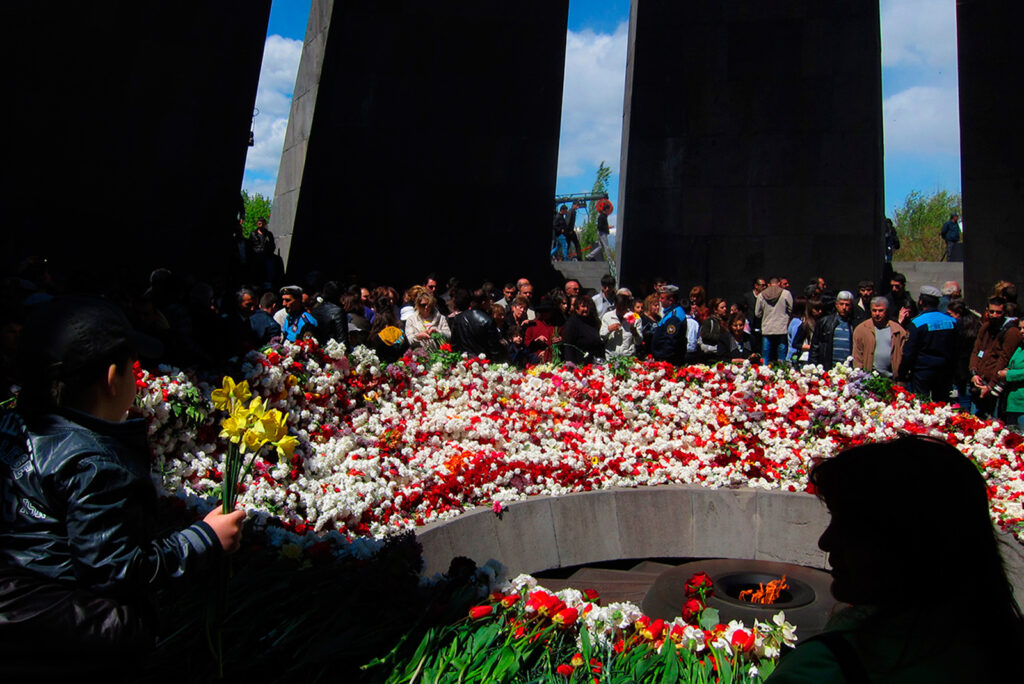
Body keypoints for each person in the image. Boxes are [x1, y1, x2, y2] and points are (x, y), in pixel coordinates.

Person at [0, 297, 244, 674]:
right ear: (112, 379)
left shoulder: (13, 426)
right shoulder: (94, 464)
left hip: (16, 607)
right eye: (134, 369)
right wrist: (205, 538)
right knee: (124, 623)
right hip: (54, 634)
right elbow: (117, 570)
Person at [766, 436, 1024, 683]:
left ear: (908, 543)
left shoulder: (823, 670)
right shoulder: (999, 649)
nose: (825, 541)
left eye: (851, 526)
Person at [899, 286, 957, 401]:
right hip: (945, 371)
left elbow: (909, 353)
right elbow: (957, 348)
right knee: (942, 406)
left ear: (921, 302)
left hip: (923, 372)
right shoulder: (952, 321)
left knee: (923, 405)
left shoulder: (917, 323)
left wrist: (902, 375)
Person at [969, 296, 1022, 418]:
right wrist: (973, 373)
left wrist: (990, 385)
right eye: (991, 311)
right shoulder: (985, 327)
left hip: (994, 386)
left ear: (1004, 313)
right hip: (979, 379)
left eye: (998, 312)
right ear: (987, 310)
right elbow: (976, 351)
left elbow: (1004, 359)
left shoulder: (1011, 332)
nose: (994, 315)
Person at [852, 297, 907, 377]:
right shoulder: (861, 330)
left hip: (892, 378)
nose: (877, 314)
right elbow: (857, 357)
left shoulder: (898, 330)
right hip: (869, 378)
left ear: (887, 311)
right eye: (874, 310)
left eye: (880, 310)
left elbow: (904, 355)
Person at [810, 291, 866, 367]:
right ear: (836, 305)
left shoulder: (856, 324)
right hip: (829, 367)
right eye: (841, 304)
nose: (844, 308)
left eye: (847, 305)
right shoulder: (825, 322)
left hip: (848, 368)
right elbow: (815, 346)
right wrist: (814, 365)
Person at [449, 290, 503, 358]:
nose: (490, 303)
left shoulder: (458, 318)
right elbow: (493, 347)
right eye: (488, 301)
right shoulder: (488, 320)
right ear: (483, 303)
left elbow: (453, 343)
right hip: (481, 361)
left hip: (463, 360)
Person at [755, 277, 793, 363]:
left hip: (767, 328)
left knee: (766, 354)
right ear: (779, 283)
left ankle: (764, 373)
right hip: (782, 328)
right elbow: (791, 309)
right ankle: (782, 371)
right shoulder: (786, 294)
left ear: (769, 284)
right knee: (782, 354)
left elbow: (757, 313)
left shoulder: (761, 295)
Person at [650, 285, 689, 365]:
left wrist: (663, 359)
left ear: (671, 300)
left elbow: (670, 341)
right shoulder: (669, 313)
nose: (660, 300)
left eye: (662, 298)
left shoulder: (674, 317)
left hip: (668, 361)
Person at [996, 317, 1024, 428]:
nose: (1021, 331)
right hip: (1013, 402)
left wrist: (1008, 375)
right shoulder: (1021, 346)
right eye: (1020, 328)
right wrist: (1007, 369)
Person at [561, 296, 603, 365]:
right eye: (583, 306)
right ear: (577, 308)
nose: (586, 309)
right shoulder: (571, 323)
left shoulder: (593, 322)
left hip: (594, 361)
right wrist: (571, 364)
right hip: (578, 362)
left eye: (587, 306)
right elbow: (568, 346)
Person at [600, 292, 641, 359]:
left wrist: (635, 333)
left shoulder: (636, 317)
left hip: (628, 357)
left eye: (623, 308)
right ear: (615, 306)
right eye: (619, 308)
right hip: (611, 357)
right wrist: (609, 329)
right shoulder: (607, 316)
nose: (621, 311)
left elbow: (638, 342)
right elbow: (602, 337)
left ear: (627, 306)